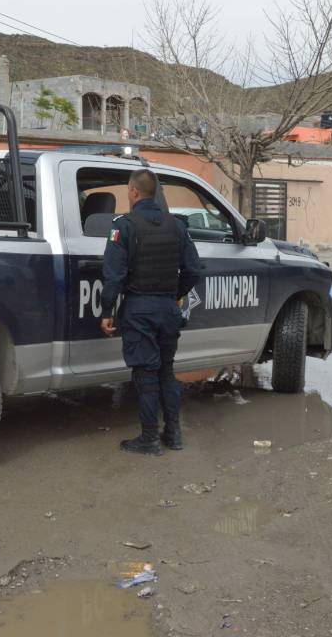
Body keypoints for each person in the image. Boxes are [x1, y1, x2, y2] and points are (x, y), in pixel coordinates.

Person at [100, 169, 202, 455]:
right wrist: (175, 294)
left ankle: (149, 439)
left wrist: (107, 310)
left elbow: (114, 275)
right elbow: (194, 270)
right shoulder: (177, 226)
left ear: (133, 192)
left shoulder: (124, 225)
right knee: (166, 372)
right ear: (154, 192)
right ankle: (174, 434)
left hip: (140, 309)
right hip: (168, 308)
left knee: (146, 375)